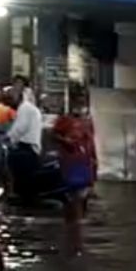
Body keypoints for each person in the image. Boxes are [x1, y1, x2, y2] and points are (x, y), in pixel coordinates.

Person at [53, 85, 98, 230]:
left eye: (83, 99)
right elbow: (54, 135)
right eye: (78, 99)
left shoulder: (87, 121)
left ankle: (77, 225)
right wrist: (65, 142)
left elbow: (91, 141)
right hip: (70, 161)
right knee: (73, 196)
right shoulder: (65, 120)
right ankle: (73, 225)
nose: (81, 103)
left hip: (85, 162)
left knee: (83, 196)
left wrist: (94, 159)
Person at [6, 80, 45, 196]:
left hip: (26, 148)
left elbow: (20, 128)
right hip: (33, 149)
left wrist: (8, 137)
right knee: (28, 180)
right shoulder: (32, 109)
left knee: (20, 176)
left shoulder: (24, 108)